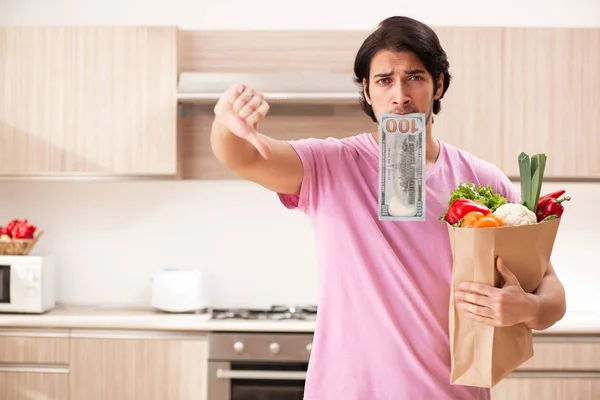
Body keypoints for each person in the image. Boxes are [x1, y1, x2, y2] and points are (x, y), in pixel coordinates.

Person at [209, 15, 567, 400]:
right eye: (384, 81)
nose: (400, 95)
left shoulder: (484, 181)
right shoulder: (331, 164)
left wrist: (525, 308)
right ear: (366, 90)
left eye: (414, 77)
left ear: (439, 85)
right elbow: (245, 158)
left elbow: (552, 294)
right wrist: (225, 123)